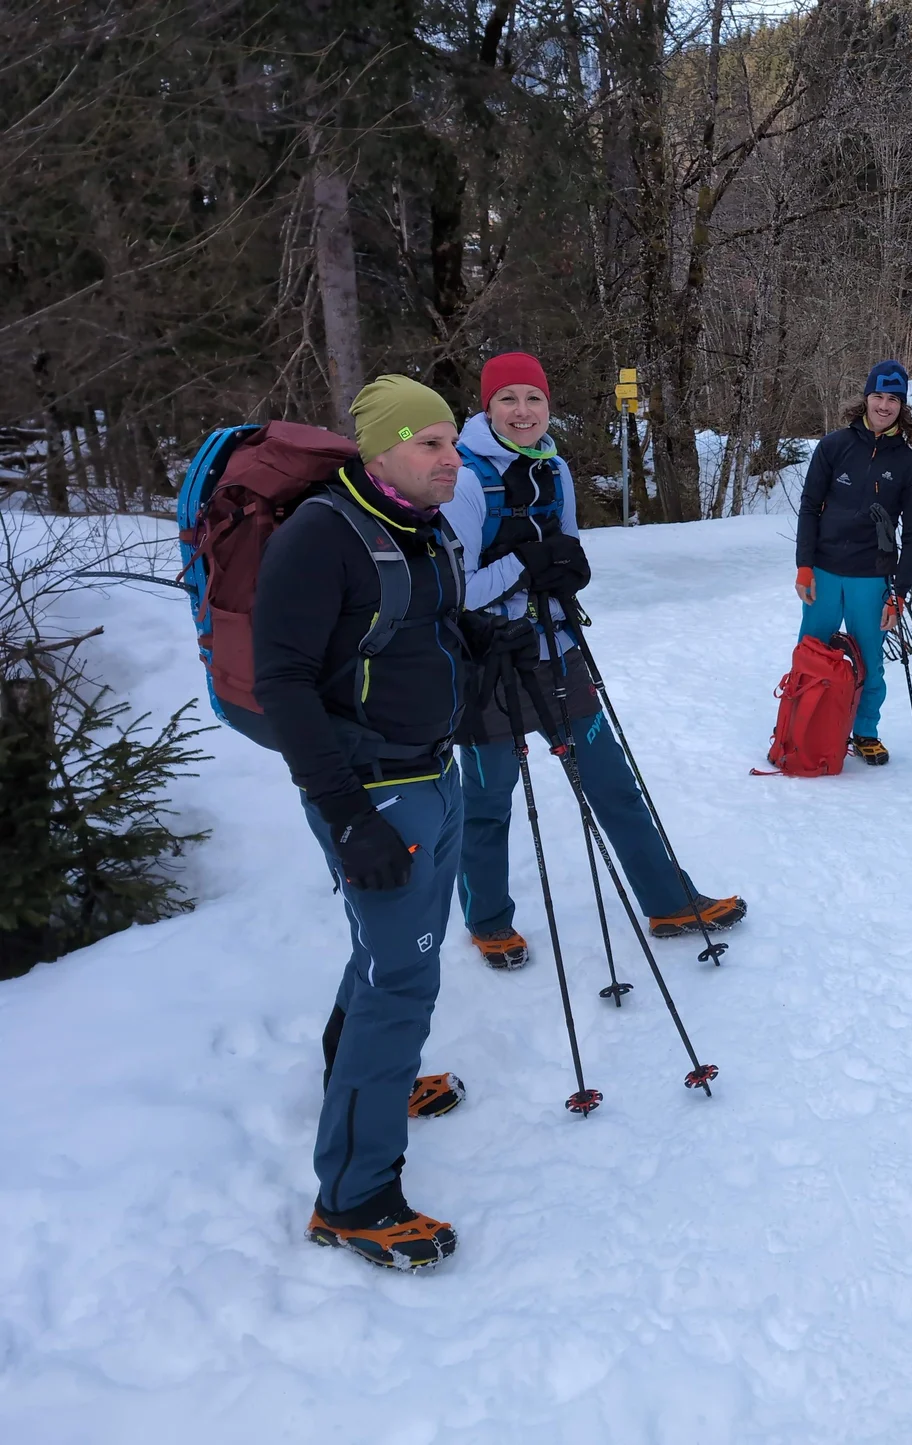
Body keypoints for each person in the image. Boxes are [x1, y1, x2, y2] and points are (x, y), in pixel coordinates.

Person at [253, 374, 493, 1270]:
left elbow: (414, 632)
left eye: (452, 442)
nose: (450, 458)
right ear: (380, 448)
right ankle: (353, 1197)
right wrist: (347, 816)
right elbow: (282, 684)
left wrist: (477, 645)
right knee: (403, 978)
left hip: (434, 769)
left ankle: (363, 1080)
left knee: (394, 954)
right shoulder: (322, 535)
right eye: (430, 443)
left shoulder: (419, 526)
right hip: (372, 789)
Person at [445, 351, 744, 971]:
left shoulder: (554, 468)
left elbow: (569, 549)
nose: (522, 411)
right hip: (487, 665)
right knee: (489, 800)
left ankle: (668, 900)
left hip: (556, 650)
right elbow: (458, 589)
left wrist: (563, 566)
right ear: (487, 406)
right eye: (508, 399)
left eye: (533, 398)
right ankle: (488, 920)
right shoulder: (466, 479)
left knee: (611, 781)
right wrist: (528, 561)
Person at [793, 359, 912, 765]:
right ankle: (800, 723)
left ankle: (865, 732)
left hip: (872, 579)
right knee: (811, 653)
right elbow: (808, 506)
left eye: (893, 399)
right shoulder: (834, 447)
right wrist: (804, 565)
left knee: (871, 662)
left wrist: (899, 594)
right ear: (865, 398)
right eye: (878, 396)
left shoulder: (910, 466)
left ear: (902, 407)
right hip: (823, 572)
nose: (884, 405)